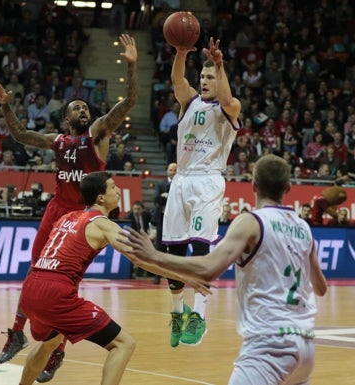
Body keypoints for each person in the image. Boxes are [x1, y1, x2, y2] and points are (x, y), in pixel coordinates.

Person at [0, 33, 138, 382]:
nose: (84, 109)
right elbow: (22, 136)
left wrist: (131, 67)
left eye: (86, 106)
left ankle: (54, 350)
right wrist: (7, 106)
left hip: (86, 214)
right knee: (37, 272)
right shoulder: (57, 141)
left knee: (62, 285)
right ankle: (19, 333)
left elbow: (127, 103)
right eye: (77, 107)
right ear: (66, 117)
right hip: (59, 210)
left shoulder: (97, 135)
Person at [121, 154, 327, 385]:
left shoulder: (251, 222)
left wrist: (155, 256)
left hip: (270, 343)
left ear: (253, 186)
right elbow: (320, 288)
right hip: (306, 345)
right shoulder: (302, 227)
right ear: (288, 187)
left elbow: (208, 269)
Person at [17, 171, 209, 385]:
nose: (118, 190)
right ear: (101, 198)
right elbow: (141, 260)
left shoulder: (66, 217)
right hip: (55, 293)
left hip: (30, 288)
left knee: (50, 342)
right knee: (123, 344)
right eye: (112, 187)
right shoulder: (102, 224)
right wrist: (183, 277)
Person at [160, 37, 241, 347]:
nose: (205, 81)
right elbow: (177, 79)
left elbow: (230, 100)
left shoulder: (230, 108)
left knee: (199, 248)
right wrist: (181, 52)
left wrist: (219, 65)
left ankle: (199, 315)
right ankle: (178, 314)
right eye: (203, 77)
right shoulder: (188, 101)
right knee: (175, 254)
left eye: (210, 77)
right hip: (181, 180)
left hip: (208, 180)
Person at [152, 162, 177, 284]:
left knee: (174, 247)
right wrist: (169, 198)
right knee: (159, 247)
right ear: (167, 171)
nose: (173, 172)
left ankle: (174, 275)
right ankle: (157, 275)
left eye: (175, 170)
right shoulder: (160, 184)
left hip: (176, 220)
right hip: (162, 219)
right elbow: (157, 199)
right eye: (171, 169)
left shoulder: (180, 184)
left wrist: (167, 197)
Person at [123, 200, 153, 278]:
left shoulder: (147, 215)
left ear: (142, 209)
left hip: (145, 237)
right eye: (134, 209)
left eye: (138, 209)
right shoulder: (128, 217)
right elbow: (127, 231)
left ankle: (151, 271)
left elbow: (151, 226)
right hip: (133, 239)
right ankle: (133, 271)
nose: (136, 211)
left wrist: (151, 234)